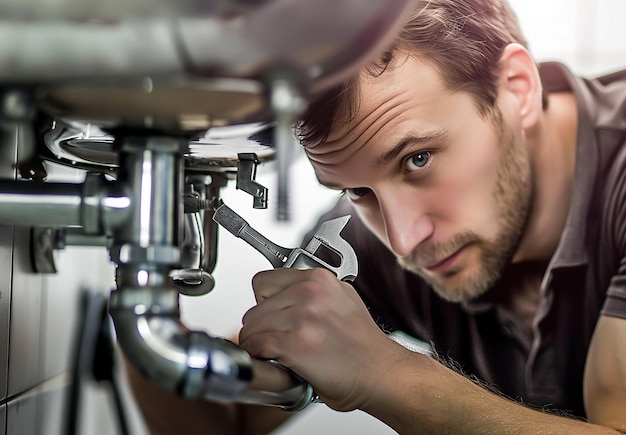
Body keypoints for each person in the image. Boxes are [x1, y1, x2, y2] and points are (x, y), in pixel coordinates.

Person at [128, 0, 626, 433]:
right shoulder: (368, 241)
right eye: (357, 191)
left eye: (418, 159)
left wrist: (386, 373)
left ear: (516, 88)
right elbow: (227, 425)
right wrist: (145, 304)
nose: (404, 241)